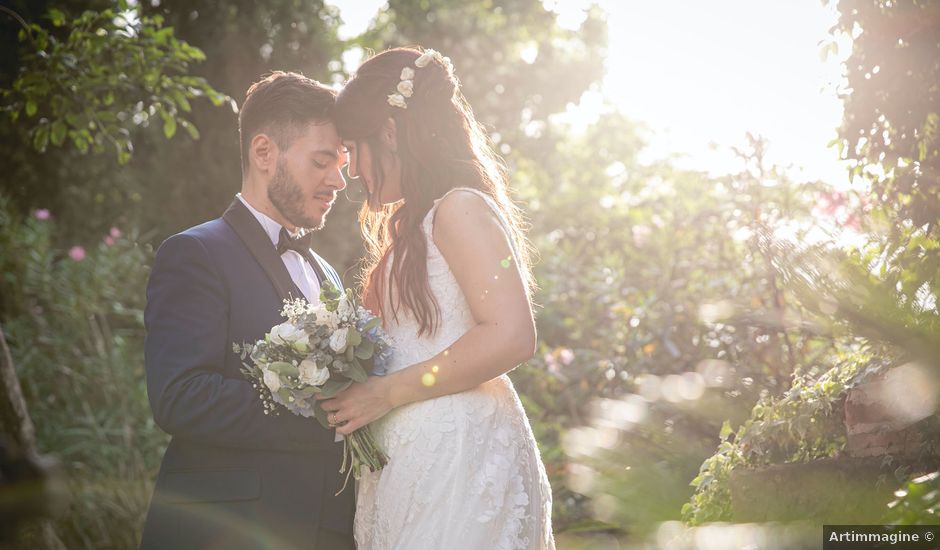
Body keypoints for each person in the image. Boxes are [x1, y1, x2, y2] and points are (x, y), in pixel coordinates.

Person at [320, 47, 555, 550]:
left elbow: (512, 335)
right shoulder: (410, 228)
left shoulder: (460, 208)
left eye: (354, 148)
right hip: (411, 469)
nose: (354, 171)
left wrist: (386, 393)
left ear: (389, 133)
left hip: (461, 463)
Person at [139, 71, 354, 550]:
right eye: (322, 161)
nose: (338, 180)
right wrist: (325, 415)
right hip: (226, 530)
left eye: (341, 163)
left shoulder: (328, 273)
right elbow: (181, 395)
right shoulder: (194, 253)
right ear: (264, 154)